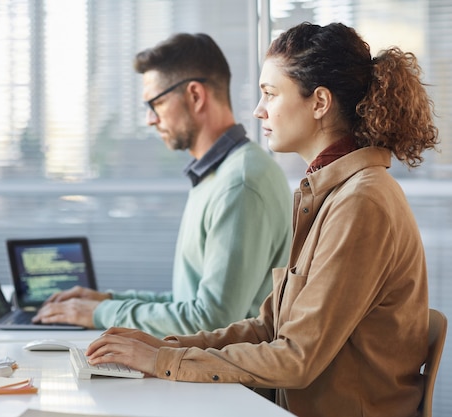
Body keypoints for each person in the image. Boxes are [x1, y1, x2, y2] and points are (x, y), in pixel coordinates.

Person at [84, 22, 439, 417]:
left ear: (319, 103)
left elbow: (296, 358)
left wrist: (163, 363)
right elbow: (269, 327)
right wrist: (163, 348)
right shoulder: (327, 194)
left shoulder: (362, 202)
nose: (258, 110)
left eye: (270, 93)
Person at [32, 33, 293, 338]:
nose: (149, 119)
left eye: (155, 103)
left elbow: (211, 320)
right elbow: (191, 304)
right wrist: (107, 301)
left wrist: (99, 314)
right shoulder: (218, 175)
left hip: (230, 384)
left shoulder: (240, 184)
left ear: (195, 96)